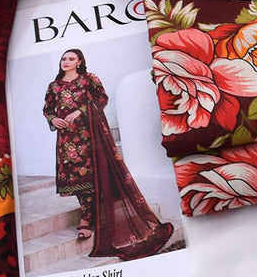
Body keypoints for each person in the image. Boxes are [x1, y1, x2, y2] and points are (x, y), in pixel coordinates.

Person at [43, 48, 173, 259]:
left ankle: (87, 219)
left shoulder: (89, 79)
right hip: (67, 140)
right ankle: (87, 214)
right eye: (63, 58)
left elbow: (101, 98)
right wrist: (53, 119)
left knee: (94, 175)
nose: (65, 61)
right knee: (76, 177)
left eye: (71, 58)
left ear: (79, 62)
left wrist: (79, 111)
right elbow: (48, 109)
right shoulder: (54, 86)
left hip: (91, 136)